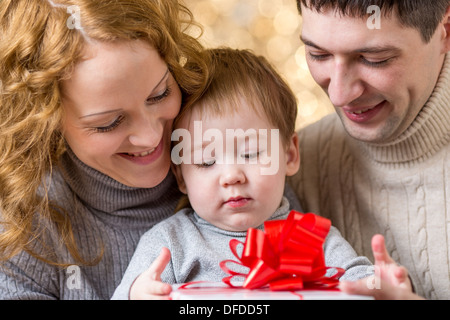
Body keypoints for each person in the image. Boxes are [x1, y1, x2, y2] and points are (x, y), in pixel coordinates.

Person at [110, 48, 386, 300]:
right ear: (181, 177)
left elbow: (358, 282)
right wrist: (137, 294)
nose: (232, 176)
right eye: (207, 162)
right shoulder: (170, 244)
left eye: (250, 153)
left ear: (289, 155)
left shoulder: (309, 238)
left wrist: (380, 285)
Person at [0, 0, 211, 300]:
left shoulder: (237, 155)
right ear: (46, 119)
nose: (151, 137)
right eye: (109, 123)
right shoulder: (23, 230)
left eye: (160, 94)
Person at [290, 0, 450, 300]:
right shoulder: (286, 171)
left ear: (445, 30)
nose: (338, 94)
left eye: (374, 58)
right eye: (318, 54)